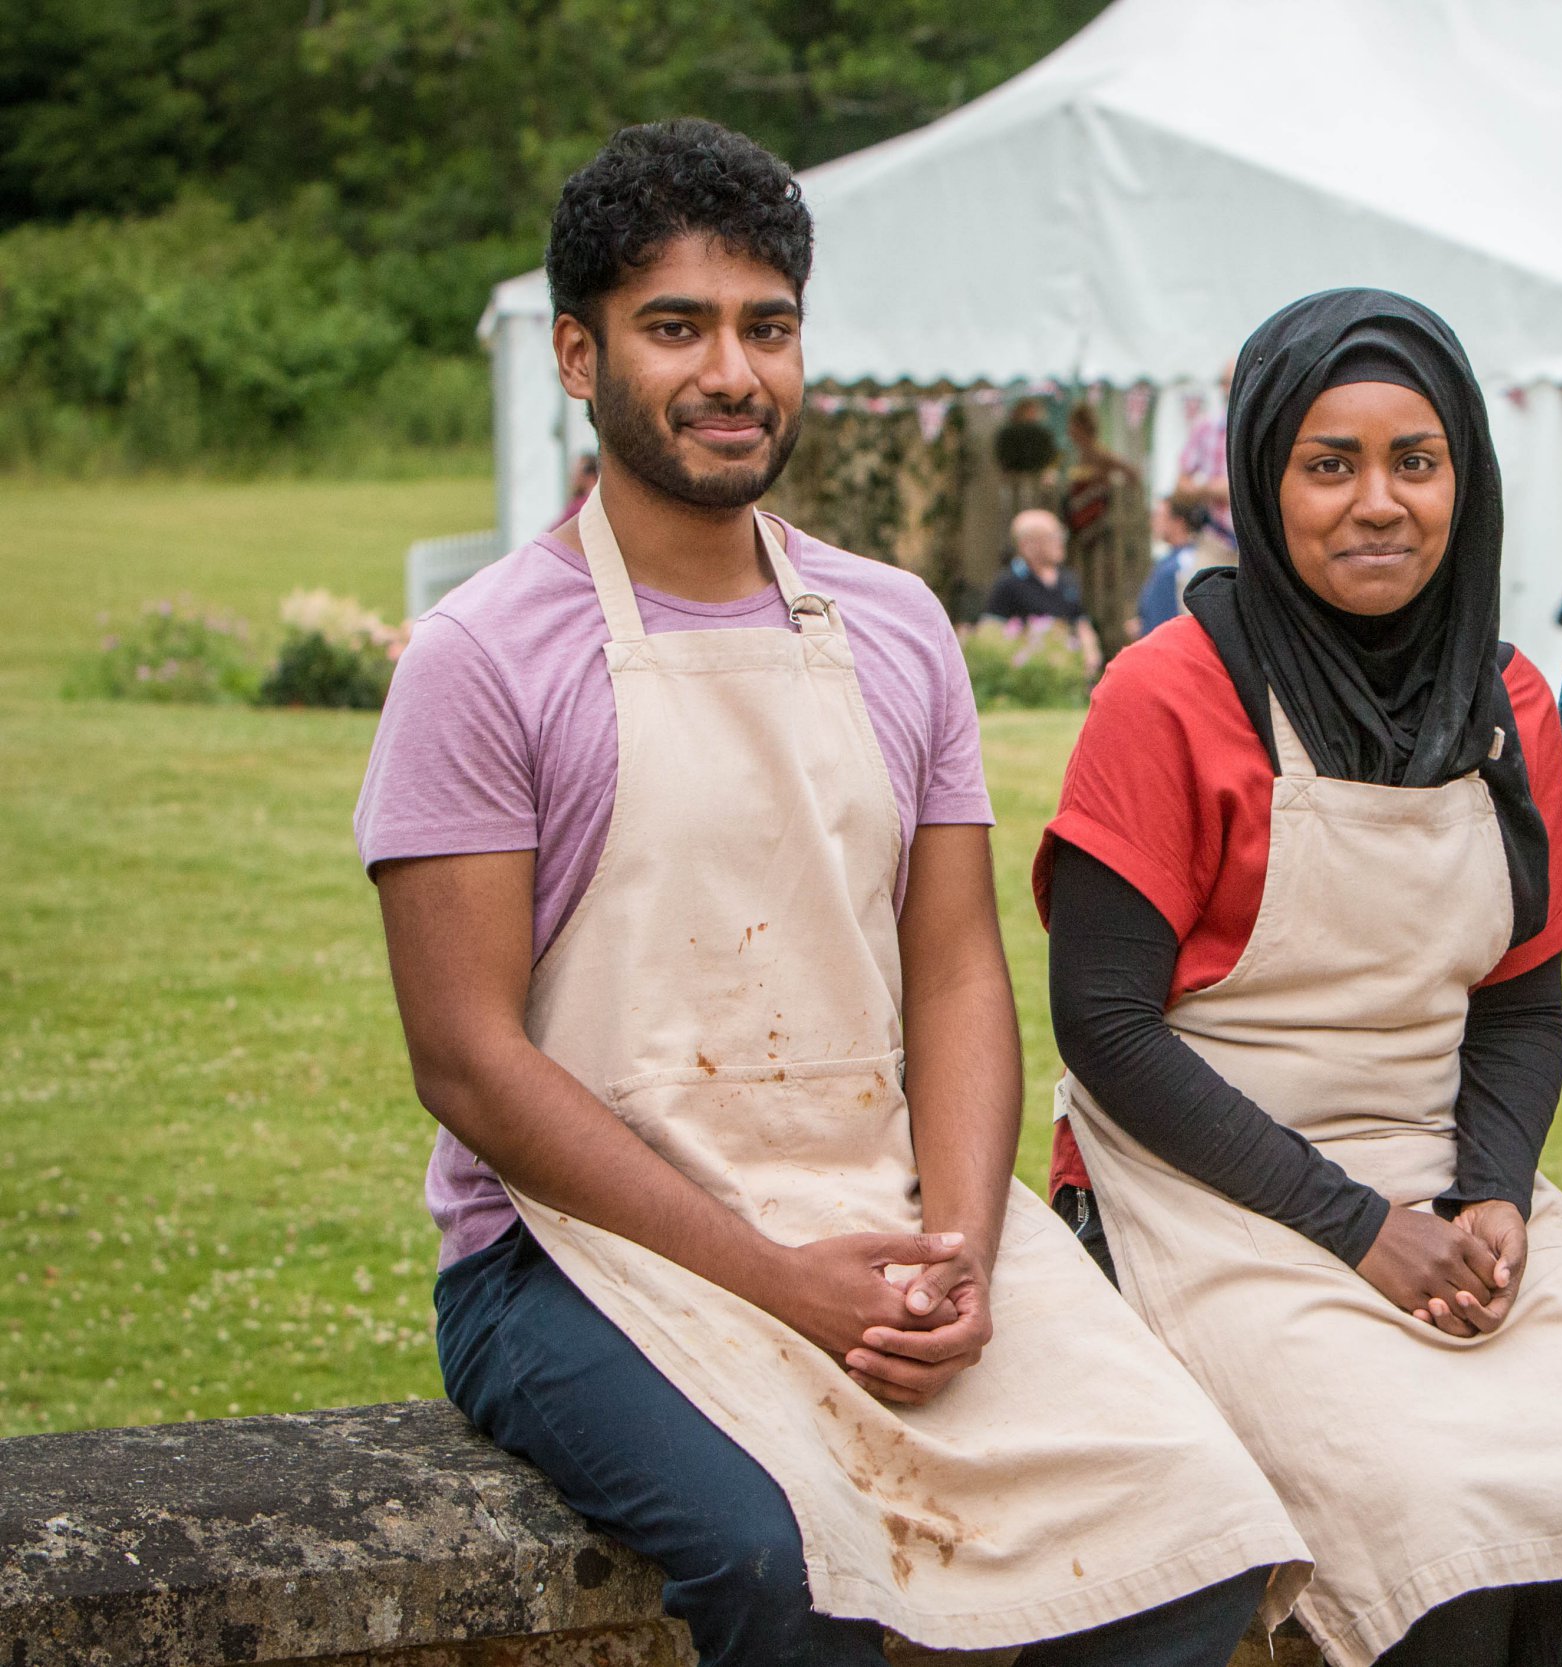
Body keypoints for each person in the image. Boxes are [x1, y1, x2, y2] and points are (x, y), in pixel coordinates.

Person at [355, 119, 1306, 1667]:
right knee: (780, 1553)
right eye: (677, 327)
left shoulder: (897, 624)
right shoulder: (484, 658)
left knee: (1194, 1521)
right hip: (569, 1255)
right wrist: (781, 1280)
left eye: (768, 326)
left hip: (868, 1199)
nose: (733, 371)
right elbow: (467, 1058)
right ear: (580, 360)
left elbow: (955, 974)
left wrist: (963, 1248)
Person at [1038, 288, 1562, 1667]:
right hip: (1210, 1191)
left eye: (1416, 460)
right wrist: (1360, 1226)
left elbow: (1525, 996)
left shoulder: (1509, 700)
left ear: (1465, 480)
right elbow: (1104, 1025)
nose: (1378, 502)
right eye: (1329, 463)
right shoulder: (1165, 695)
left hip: (1439, 1171)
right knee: (1437, 1546)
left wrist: (1487, 1191)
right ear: (1262, 479)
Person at [983, 508, 1103, 671]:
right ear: (1027, 545)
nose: (1061, 542)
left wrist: (1091, 654)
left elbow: (1080, 621)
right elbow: (990, 631)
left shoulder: (1067, 578)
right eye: (1053, 536)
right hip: (1031, 675)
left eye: (1062, 535)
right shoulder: (1008, 583)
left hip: (1069, 671)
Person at [1172, 356, 1236, 548]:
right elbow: (1181, 486)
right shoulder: (1205, 427)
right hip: (1217, 538)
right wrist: (1210, 489)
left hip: (1257, 545)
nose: (1231, 388)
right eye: (1227, 382)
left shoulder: (1264, 427)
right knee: (1193, 577)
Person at [1129, 495, 1204, 639]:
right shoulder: (1167, 560)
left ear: (1178, 522)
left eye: (1158, 516)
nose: (1153, 522)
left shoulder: (1186, 563)